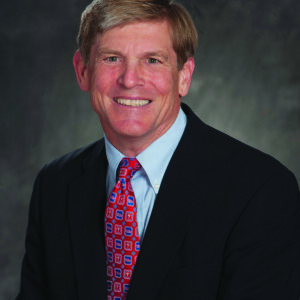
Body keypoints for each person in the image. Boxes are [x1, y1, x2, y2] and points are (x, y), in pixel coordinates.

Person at [16, 0, 300, 299]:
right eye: (112, 58)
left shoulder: (261, 190)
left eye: (152, 60)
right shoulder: (55, 184)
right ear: (83, 70)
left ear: (184, 76)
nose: (129, 79)